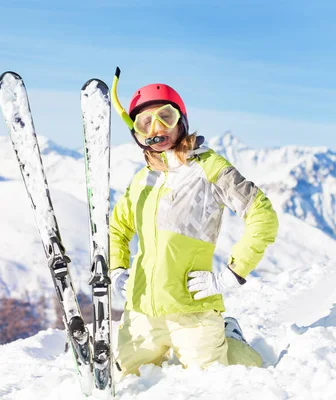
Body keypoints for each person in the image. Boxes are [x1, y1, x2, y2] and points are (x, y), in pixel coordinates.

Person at [108, 68, 279, 377]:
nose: (157, 127)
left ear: (181, 121)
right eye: (146, 122)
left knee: (221, 378)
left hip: (193, 307)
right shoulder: (142, 178)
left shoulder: (209, 167)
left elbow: (262, 214)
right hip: (141, 309)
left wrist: (232, 273)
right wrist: (117, 268)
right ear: (137, 133)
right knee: (123, 379)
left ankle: (230, 337)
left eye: (165, 117)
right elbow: (118, 228)